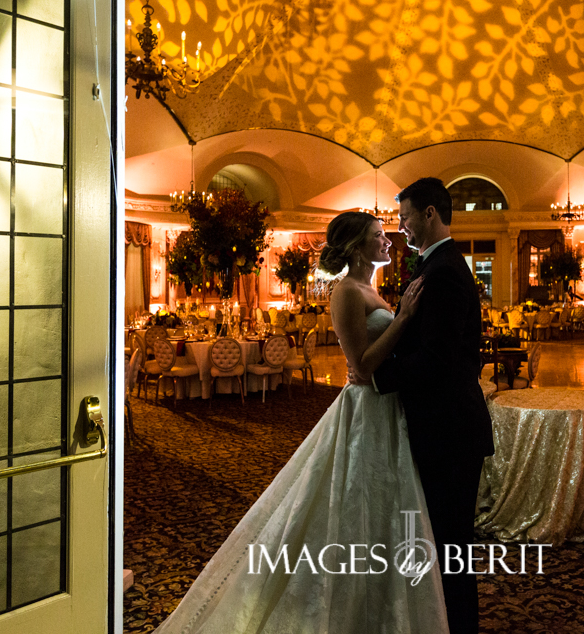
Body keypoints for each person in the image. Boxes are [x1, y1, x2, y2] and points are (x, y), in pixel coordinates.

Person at [153, 211, 450, 634]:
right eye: (379, 235)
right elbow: (362, 367)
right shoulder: (347, 291)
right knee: (355, 504)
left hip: (388, 409)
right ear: (355, 247)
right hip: (366, 410)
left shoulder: (370, 288)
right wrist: (402, 319)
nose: (388, 241)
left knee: (386, 507)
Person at [369, 177, 495, 634]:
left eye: (404, 217)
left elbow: (438, 359)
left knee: (451, 543)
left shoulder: (442, 271)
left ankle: (460, 626)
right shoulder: (434, 264)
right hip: (445, 425)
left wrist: (376, 377)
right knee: (443, 539)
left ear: (429, 214)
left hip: (449, 430)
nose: (400, 225)